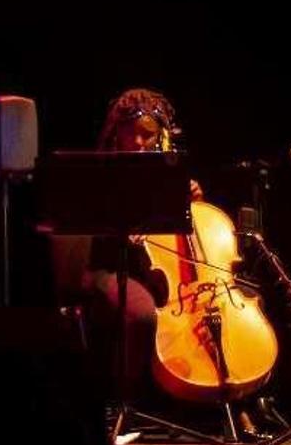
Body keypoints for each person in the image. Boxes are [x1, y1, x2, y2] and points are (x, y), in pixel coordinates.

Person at [80, 88, 204, 399]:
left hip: (151, 273)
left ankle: (184, 400)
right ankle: (124, 403)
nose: (138, 143)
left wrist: (190, 203)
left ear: (160, 136)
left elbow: (180, 237)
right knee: (143, 315)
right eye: (130, 134)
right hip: (106, 269)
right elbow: (83, 231)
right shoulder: (100, 174)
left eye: (147, 135)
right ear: (115, 133)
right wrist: (118, 230)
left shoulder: (168, 172)